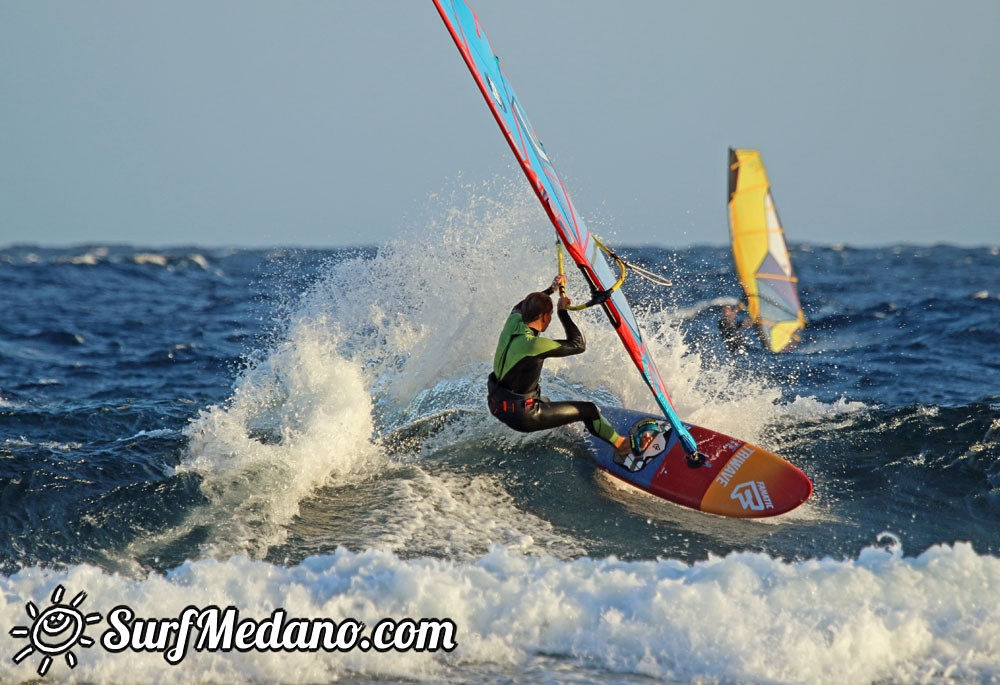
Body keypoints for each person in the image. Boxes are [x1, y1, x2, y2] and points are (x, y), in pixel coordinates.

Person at [487, 274, 633, 458]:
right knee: (588, 410)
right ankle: (621, 444)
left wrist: (551, 289)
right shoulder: (532, 345)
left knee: (546, 401)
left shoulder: (513, 322)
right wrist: (562, 312)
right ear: (545, 316)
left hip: (497, 405)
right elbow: (578, 345)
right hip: (524, 417)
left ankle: (563, 421)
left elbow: (518, 305)